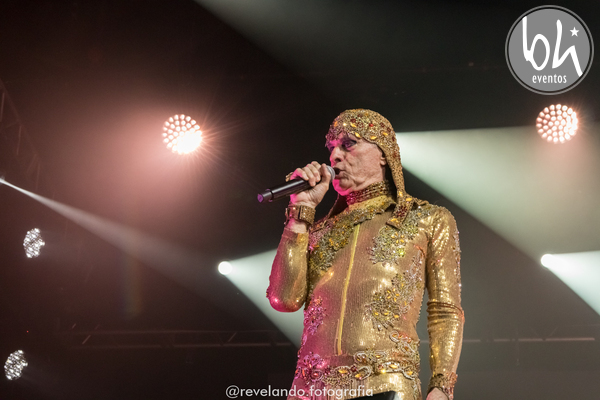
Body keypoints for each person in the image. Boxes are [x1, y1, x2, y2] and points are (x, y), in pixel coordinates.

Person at [267, 109, 464, 400]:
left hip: (385, 385)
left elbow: (444, 310)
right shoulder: (315, 230)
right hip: (311, 390)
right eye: (332, 148)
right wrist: (301, 212)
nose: (335, 156)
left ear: (383, 153)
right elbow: (283, 300)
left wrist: (442, 386)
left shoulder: (428, 219)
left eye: (348, 144)